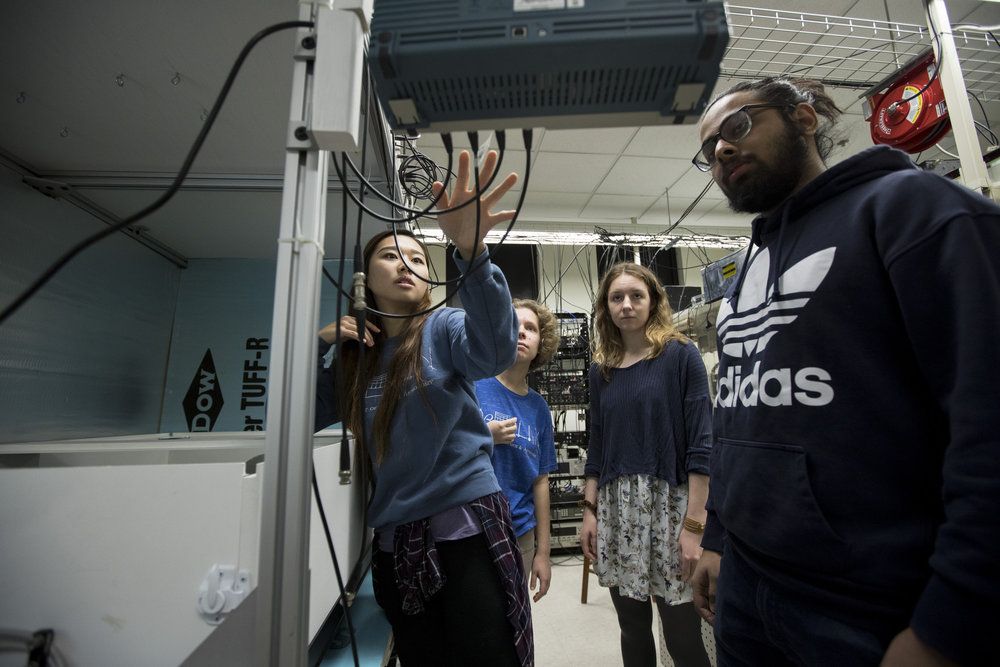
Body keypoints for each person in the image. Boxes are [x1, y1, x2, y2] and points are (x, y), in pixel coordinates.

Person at [689, 77, 1000, 667]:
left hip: (871, 610)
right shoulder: (748, 267)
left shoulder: (913, 208)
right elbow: (738, 418)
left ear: (804, 119)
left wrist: (952, 623)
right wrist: (719, 538)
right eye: (709, 149)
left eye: (737, 126)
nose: (722, 150)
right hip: (749, 588)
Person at [314, 150, 533, 667]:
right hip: (393, 543)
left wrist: (471, 250)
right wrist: (322, 347)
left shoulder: (443, 327)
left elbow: (495, 350)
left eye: (416, 258)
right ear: (363, 278)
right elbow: (309, 420)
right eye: (391, 256)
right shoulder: (355, 355)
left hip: (467, 531)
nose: (406, 264)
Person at [580, 261, 713, 667]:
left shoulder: (680, 355)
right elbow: (597, 447)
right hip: (617, 511)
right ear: (606, 308)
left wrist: (694, 526)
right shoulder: (600, 371)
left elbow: (702, 447)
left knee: (681, 636)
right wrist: (589, 512)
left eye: (636, 295)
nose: (626, 305)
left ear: (653, 300)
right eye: (616, 297)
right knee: (632, 628)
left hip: (670, 509)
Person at [475, 298, 560, 602]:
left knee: (510, 618)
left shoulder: (538, 408)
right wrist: (486, 436)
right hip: (470, 529)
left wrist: (543, 552)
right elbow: (443, 447)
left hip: (519, 533)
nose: (522, 333)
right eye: (514, 325)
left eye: (531, 328)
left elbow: (540, 481)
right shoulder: (473, 385)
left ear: (541, 343)